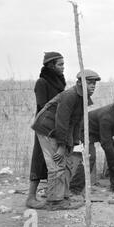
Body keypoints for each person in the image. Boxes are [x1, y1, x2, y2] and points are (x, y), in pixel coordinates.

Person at [31, 69, 101, 211]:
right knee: (56, 164)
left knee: (67, 163)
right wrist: (62, 146)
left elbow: (76, 122)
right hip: (47, 127)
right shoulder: (70, 96)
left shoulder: (83, 98)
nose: (93, 86)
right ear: (79, 83)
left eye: (94, 83)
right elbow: (61, 121)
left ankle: (63, 197)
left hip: (60, 130)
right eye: (89, 82)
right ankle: (54, 202)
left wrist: (74, 143)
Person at [69, 93, 114, 194]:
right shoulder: (107, 117)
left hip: (100, 130)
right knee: (89, 157)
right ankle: (74, 189)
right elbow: (106, 143)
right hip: (87, 130)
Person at [26, 51, 66, 209]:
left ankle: (52, 194)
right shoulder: (42, 82)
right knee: (38, 158)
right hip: (43, 125)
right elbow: (44, 106)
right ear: (51, 65)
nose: (63, 67)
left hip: (55, 125)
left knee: (53, 160)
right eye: (60, 64)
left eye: (63, 64)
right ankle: (30, 197)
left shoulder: (59, 82)